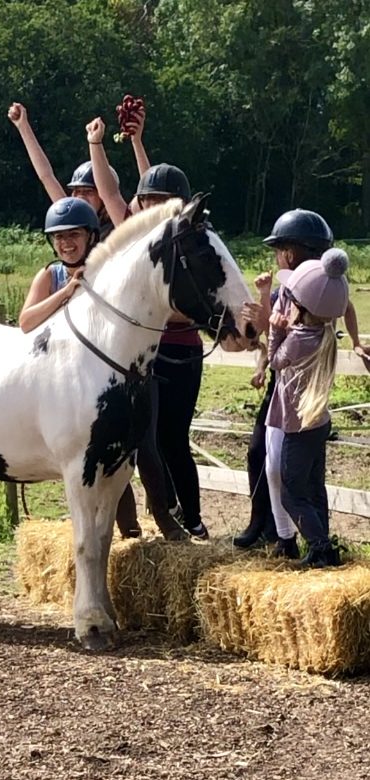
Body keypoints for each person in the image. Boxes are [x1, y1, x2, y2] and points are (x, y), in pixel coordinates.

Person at [85, 115, 208, 543]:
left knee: (175, 440)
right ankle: (162, 516)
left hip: (181, 352)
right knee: (146, 443)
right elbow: (112, 192)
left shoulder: (188, 241)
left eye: (161, 201)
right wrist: (97, 145)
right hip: (144, 358)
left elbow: (149, 191)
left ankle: (191, 517)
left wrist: (139, 143)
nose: (150, 207)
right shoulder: (137, 241)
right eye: (147, 201)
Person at [235, 209, 369, 552]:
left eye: (278, 249)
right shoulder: (307, 288)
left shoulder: (310, 290)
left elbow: (275, 338)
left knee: (284, 471)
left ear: (289, 253)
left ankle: (301, 536)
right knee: (282, 464)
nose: (277, 256)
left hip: (291, 395)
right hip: (297, 394)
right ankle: (286, 531)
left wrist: (271, 327)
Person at [19, 195, 143, 538]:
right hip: (58, 382)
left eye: (73, 235)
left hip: (99, 380)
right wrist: (67, 292)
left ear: (90, 236)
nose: (65, 243)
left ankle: (133, 528)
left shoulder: (108, 272)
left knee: (117, 457)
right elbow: (26, 321)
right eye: (59, 237)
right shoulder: (50, 275)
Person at [266, 248, 350, 567]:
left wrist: (275, 328)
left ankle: (318, 547)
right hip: (318, 423)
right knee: (314, 488)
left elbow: (275, 361)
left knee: (291, 493)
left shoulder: (300, 337)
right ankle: (325, 545)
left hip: (298, 428)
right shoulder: (325, 334)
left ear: (300, 306)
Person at [7, 101, 149, 240]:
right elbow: (46, 176)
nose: (80, 197)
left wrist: (136, 142)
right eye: (76, 191)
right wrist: (23, 126)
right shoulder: (73, 219)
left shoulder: (121, 223)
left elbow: (148, 194)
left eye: (88, 192)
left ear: (102, 196)